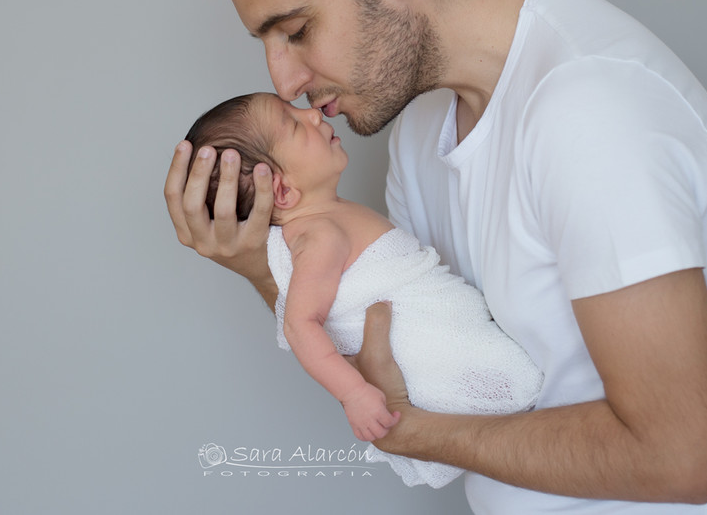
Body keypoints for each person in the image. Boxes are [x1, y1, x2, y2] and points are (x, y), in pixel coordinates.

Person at [164, 0, 707, 513]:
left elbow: (679, 459)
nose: (283, 81)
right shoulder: (422, 129)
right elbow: (411, 358)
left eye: (296, 29)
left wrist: (418, 434)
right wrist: (261, 262)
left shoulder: (591, 110)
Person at [182, 91, 544, 487]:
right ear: (282, 191)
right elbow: (301, 324)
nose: (313, 115)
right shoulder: (319, 236)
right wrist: (354, 393)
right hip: (431, 342)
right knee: (519, 387)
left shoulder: (329, 218)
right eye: (292, 123)